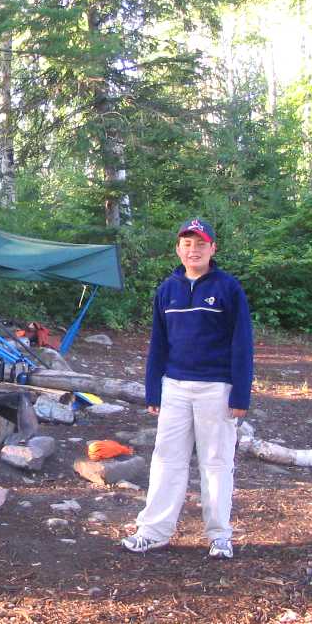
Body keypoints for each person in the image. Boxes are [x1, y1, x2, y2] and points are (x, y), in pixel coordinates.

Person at [121, 218, 253, 560]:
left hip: (216, 388)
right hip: (175, 387)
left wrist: (240, 394)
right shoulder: (167, 290)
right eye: (186, 244)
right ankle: (153, 531)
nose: (193, 250)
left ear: (213, 249)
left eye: (200, 244)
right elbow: (158, 343)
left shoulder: (228, 288)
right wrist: (153, 389)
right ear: (178, 248)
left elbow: (242, 344)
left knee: (216, 462)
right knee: (166, 460)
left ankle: (220, 536)